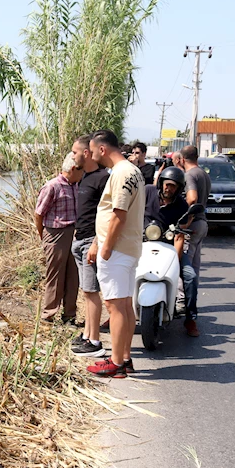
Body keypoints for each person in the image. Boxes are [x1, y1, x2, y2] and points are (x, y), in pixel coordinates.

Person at [85, 130, 145, 378]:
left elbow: (118, 214)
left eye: (92, 150)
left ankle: (116, 362)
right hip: (128, 248)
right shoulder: (134, 171)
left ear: (102, 149)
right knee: (125, 305)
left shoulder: (121, 173)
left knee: (115, 306)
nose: (91, 156)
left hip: (117, 249)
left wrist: (105, 247)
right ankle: (126, 358)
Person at [69, 135, 109, 357]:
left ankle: (95, 342)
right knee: (86, 292)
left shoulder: (103, 179)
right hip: (80, 240)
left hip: (90, 242)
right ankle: (86, 334)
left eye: (75, 152)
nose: (72, 156)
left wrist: (95, 242)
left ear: (86, 153)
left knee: (92, 292)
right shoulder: (84, 177)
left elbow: (108, 215)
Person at [34, 152, 83, 324]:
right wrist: (44, 237)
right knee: (55, 276)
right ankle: (49, 315)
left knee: (73, 275)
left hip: (73, 233)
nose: (83, 173)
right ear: (72, 169)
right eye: (81, 170)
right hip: (56, 234)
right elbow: (39, 214)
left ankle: (69, 315)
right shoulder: (52, 186)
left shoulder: (75, 185)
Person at [153, 167, 199, 335]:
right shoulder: (147, 194)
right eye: (166, 184)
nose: (168, 188)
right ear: (161, 183)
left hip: (170, 249)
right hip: (143, 247)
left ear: (179, 188)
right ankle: (117, 312)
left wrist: (175, 262)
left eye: (173, 186)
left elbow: (179, 236)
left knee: (190, 276)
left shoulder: (181, 206)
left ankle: (191, 318)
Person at [178, 144, 211, 334]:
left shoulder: (190, 175)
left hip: (192, 224)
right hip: (203, 223)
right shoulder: (203, 174)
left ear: (182, 159)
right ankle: (192, 302)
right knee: (195, 267)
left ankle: (183, 301)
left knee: (185, 266)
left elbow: (192, 198)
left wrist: (185, 220)